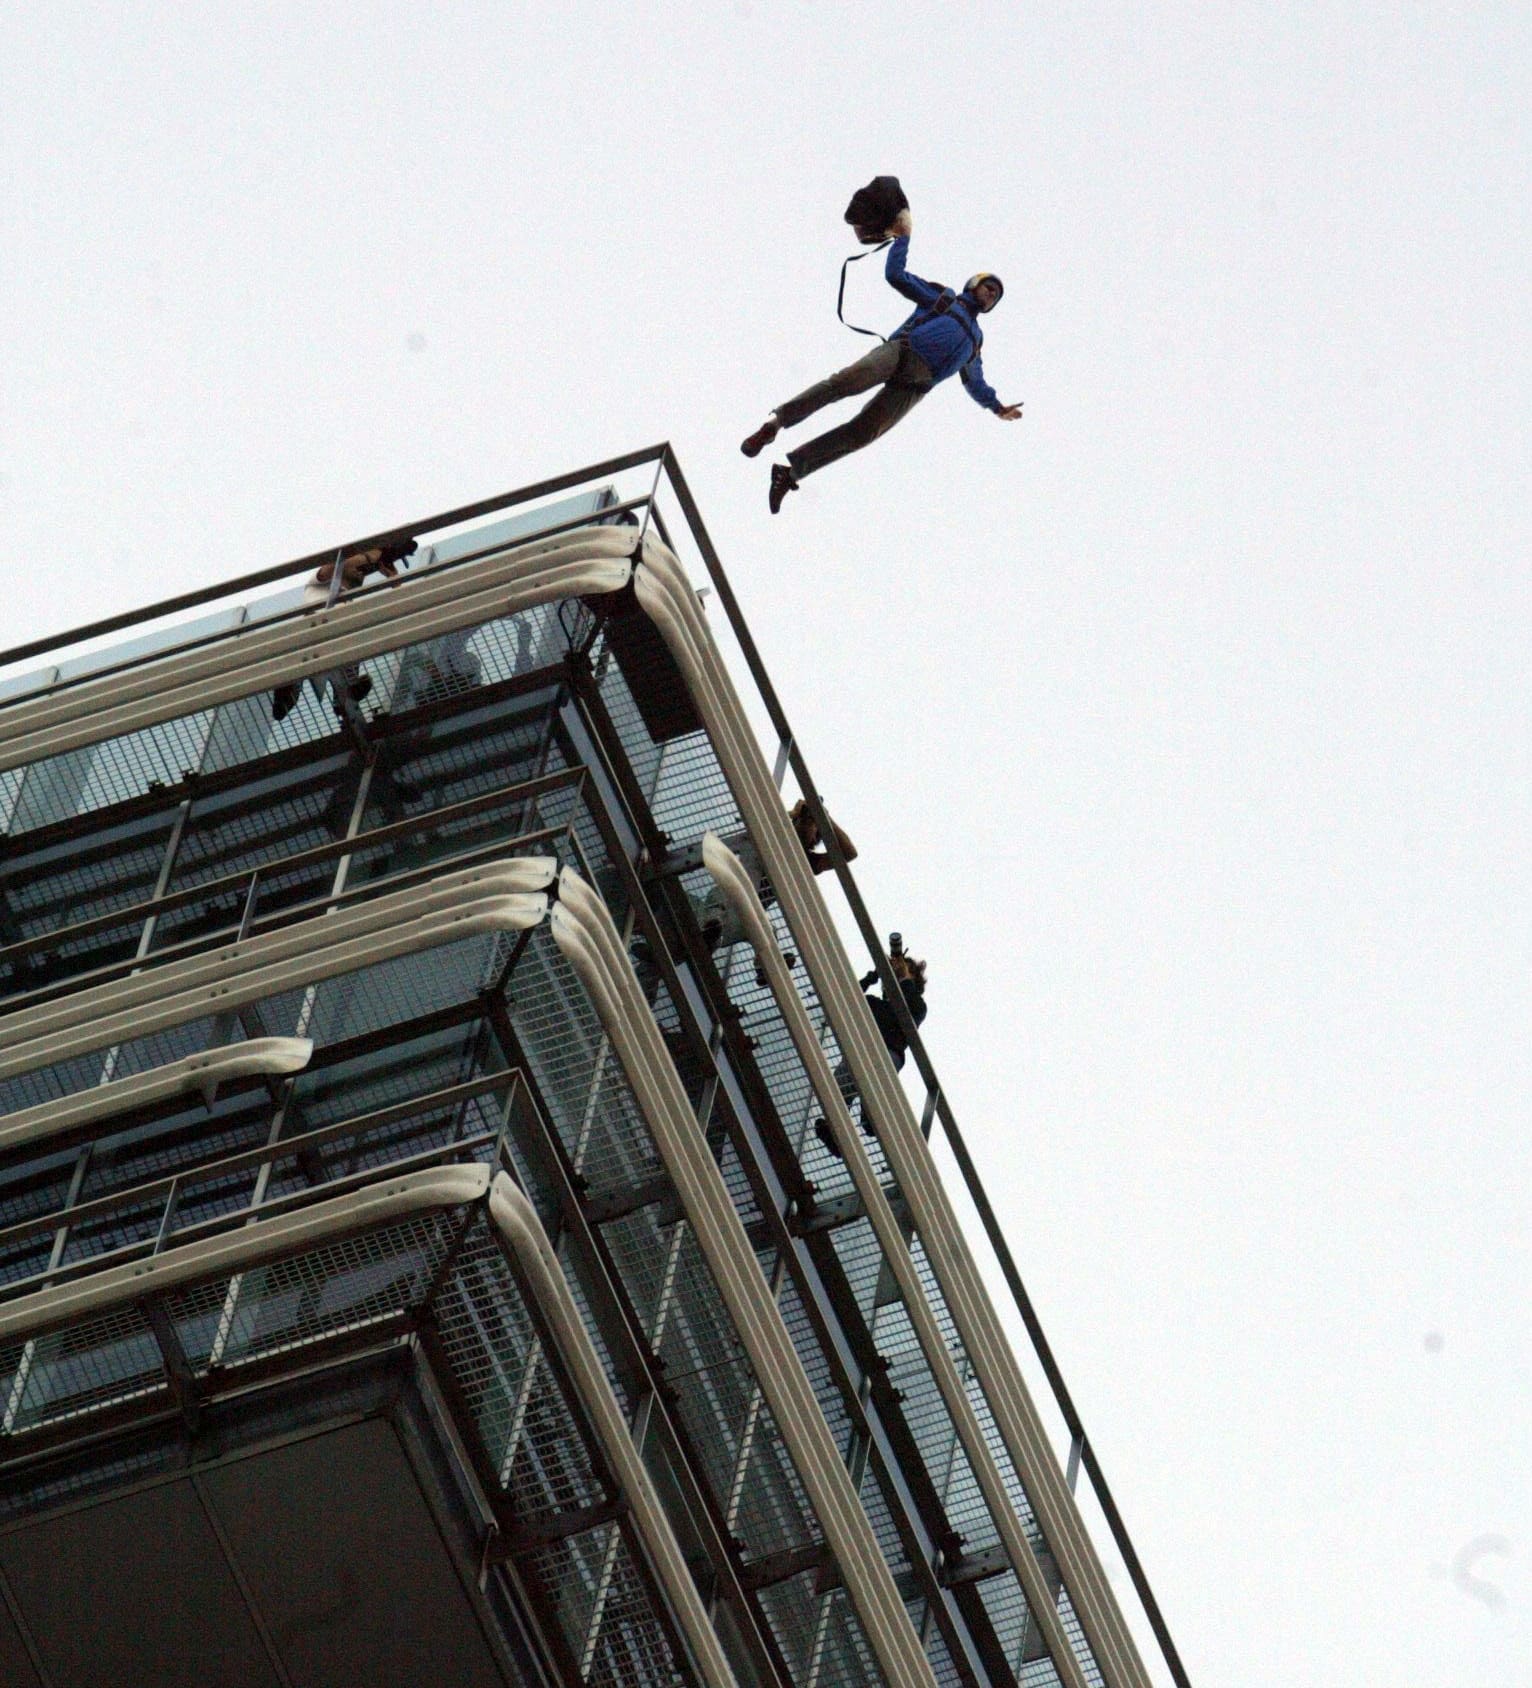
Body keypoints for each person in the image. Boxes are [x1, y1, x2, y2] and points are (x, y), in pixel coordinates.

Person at [741, 210, 1023, 512]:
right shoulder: (945, 299)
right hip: (901, 351)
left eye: (996, 295)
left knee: (863, 433)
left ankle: (790, 473)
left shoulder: (975, 341)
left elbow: (975, 381)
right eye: (988, 286)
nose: (991, 294)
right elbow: (896, 277)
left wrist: (996, 407)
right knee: (846, 382)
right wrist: (903, 239)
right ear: (973, 285)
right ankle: (776, 423)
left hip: (916, 387)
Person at [271, 540, 415, 722]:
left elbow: (404, 606)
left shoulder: (348, 599)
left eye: (367, 570)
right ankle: (287, 695)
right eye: (364, 565)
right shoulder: (321, 581)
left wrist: (393, 577)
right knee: (312, 648)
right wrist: (372, 553)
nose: (363, 571)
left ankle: (346, 695)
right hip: (314, 633)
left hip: (334, 641)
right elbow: (334, 566)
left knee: (354, 635)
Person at [814, 943, 928, 1160]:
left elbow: (913, 1004)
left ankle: (870, 1119)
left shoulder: (916, 1008)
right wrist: (874, 976)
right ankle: (838, 1133)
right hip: (862, 1050)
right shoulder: (875, 1004)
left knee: (873, 1088)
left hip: (887, 1055)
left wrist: (903, 977)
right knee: (837, 1090)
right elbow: (848, 998)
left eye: (904, 973)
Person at [790, 797, 858, 873]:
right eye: (800, 818)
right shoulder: (780, 829)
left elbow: (849, 854)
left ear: (814, 838)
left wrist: (825, 817)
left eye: (810, 820)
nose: (804, 822)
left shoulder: (809, 861)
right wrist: (793, 813)